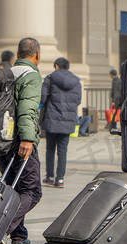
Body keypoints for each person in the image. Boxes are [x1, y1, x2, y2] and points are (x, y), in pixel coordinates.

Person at [0, 37, 43, 244]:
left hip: (1, 141)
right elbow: (27, 109)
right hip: (20, 141)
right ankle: (0, 229)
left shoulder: (6, 74)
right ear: (37, 56)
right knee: (32, 191)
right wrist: (27, 139)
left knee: (14, 190)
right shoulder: (31, 75)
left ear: (17, 54)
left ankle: (18, 237)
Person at [41, 57, 81, 188]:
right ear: (68, 67)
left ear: (56, 66)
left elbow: (43, 97)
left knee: (50, 149)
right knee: (63, 150)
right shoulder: (76, 81)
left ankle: (50, 176)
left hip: (51, 118)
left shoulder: (50, 79)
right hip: (68, 121)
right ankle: (60, 179)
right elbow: (78, 100)